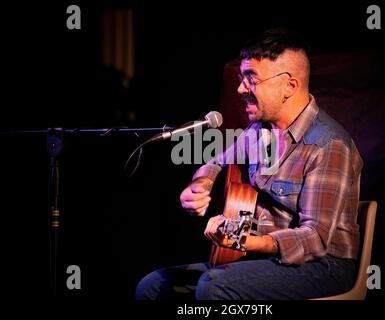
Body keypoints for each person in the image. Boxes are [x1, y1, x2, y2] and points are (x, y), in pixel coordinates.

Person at [136, 27, 363, 300]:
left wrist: (245, 241)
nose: (240, 88)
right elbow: (217, 161)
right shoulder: (260, 131)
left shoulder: (328, 145)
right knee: (153, 287)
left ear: (289, 86)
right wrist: (200, 185)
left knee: (214, 287)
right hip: (263, 259)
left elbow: (315, 238)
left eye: (251, 79)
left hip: (323, 266)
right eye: (241, 78)